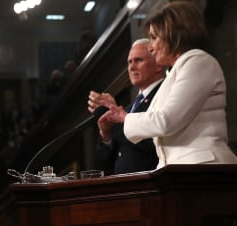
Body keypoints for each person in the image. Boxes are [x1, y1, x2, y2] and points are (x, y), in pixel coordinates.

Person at [98, 1, 237, 168]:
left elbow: (166, 121)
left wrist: (124, 117)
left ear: (174, 34)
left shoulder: (198, 61)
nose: (151, 47)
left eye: (154, 37)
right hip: (178, 170)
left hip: (204, 168)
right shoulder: (173, 74)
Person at [88, 38, 164, 174]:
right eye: (129, 62)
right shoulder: (131, 107)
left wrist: (118, 121)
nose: (131, 67)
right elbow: (104, 160)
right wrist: (106, 135)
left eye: (139, 60)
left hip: (151, 185)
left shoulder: (164, 95)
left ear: (158, 65)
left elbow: (152, 142)